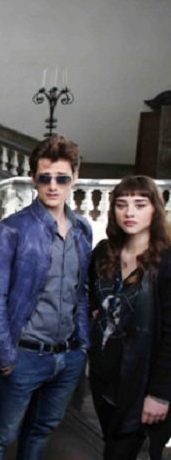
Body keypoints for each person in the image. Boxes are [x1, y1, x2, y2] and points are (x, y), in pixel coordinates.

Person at [0, 135, 92, 460]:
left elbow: (81, 292)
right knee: (0, 436)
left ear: (75, 178)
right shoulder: (11, 230)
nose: (53, 186)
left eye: (62, 178)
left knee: (40, 431)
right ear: (33, 179)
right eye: (45, 178)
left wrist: (83, 346)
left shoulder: (82, 229)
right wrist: (4, 357)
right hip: (24, 356)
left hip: (69, 356)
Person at [88, 175, 171, 460]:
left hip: (142, 380)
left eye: (139, 204)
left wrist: (160, 394)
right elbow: (90, 294)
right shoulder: (103, 252)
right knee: (110, 444)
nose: (129, 212)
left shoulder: (166, 262)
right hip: (103, 374)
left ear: (155, 209)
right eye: (121, 204)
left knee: (121, 451)